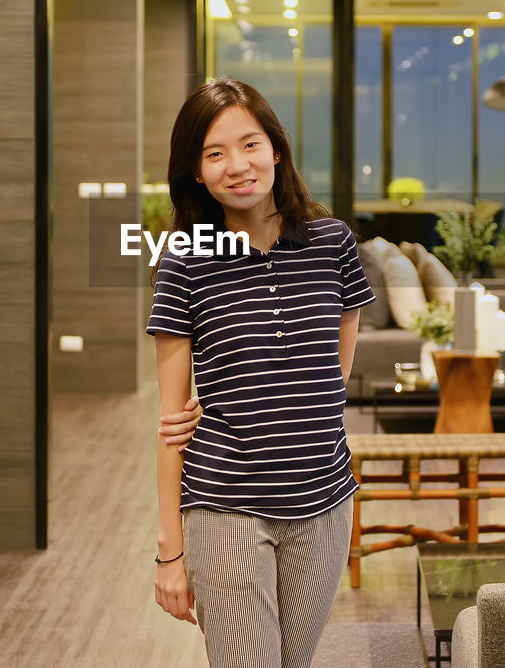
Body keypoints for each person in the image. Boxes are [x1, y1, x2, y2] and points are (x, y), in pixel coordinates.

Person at [146, 77, 374, 668]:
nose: (237, 165)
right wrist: (170, 552)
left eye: (250, 144)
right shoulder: (185, 261)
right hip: (226, 503)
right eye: (214, 153)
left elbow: (335, 373)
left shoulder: (333, 244)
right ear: (196, 172)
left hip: (324, 503)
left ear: (276, 148)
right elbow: (174, 424)